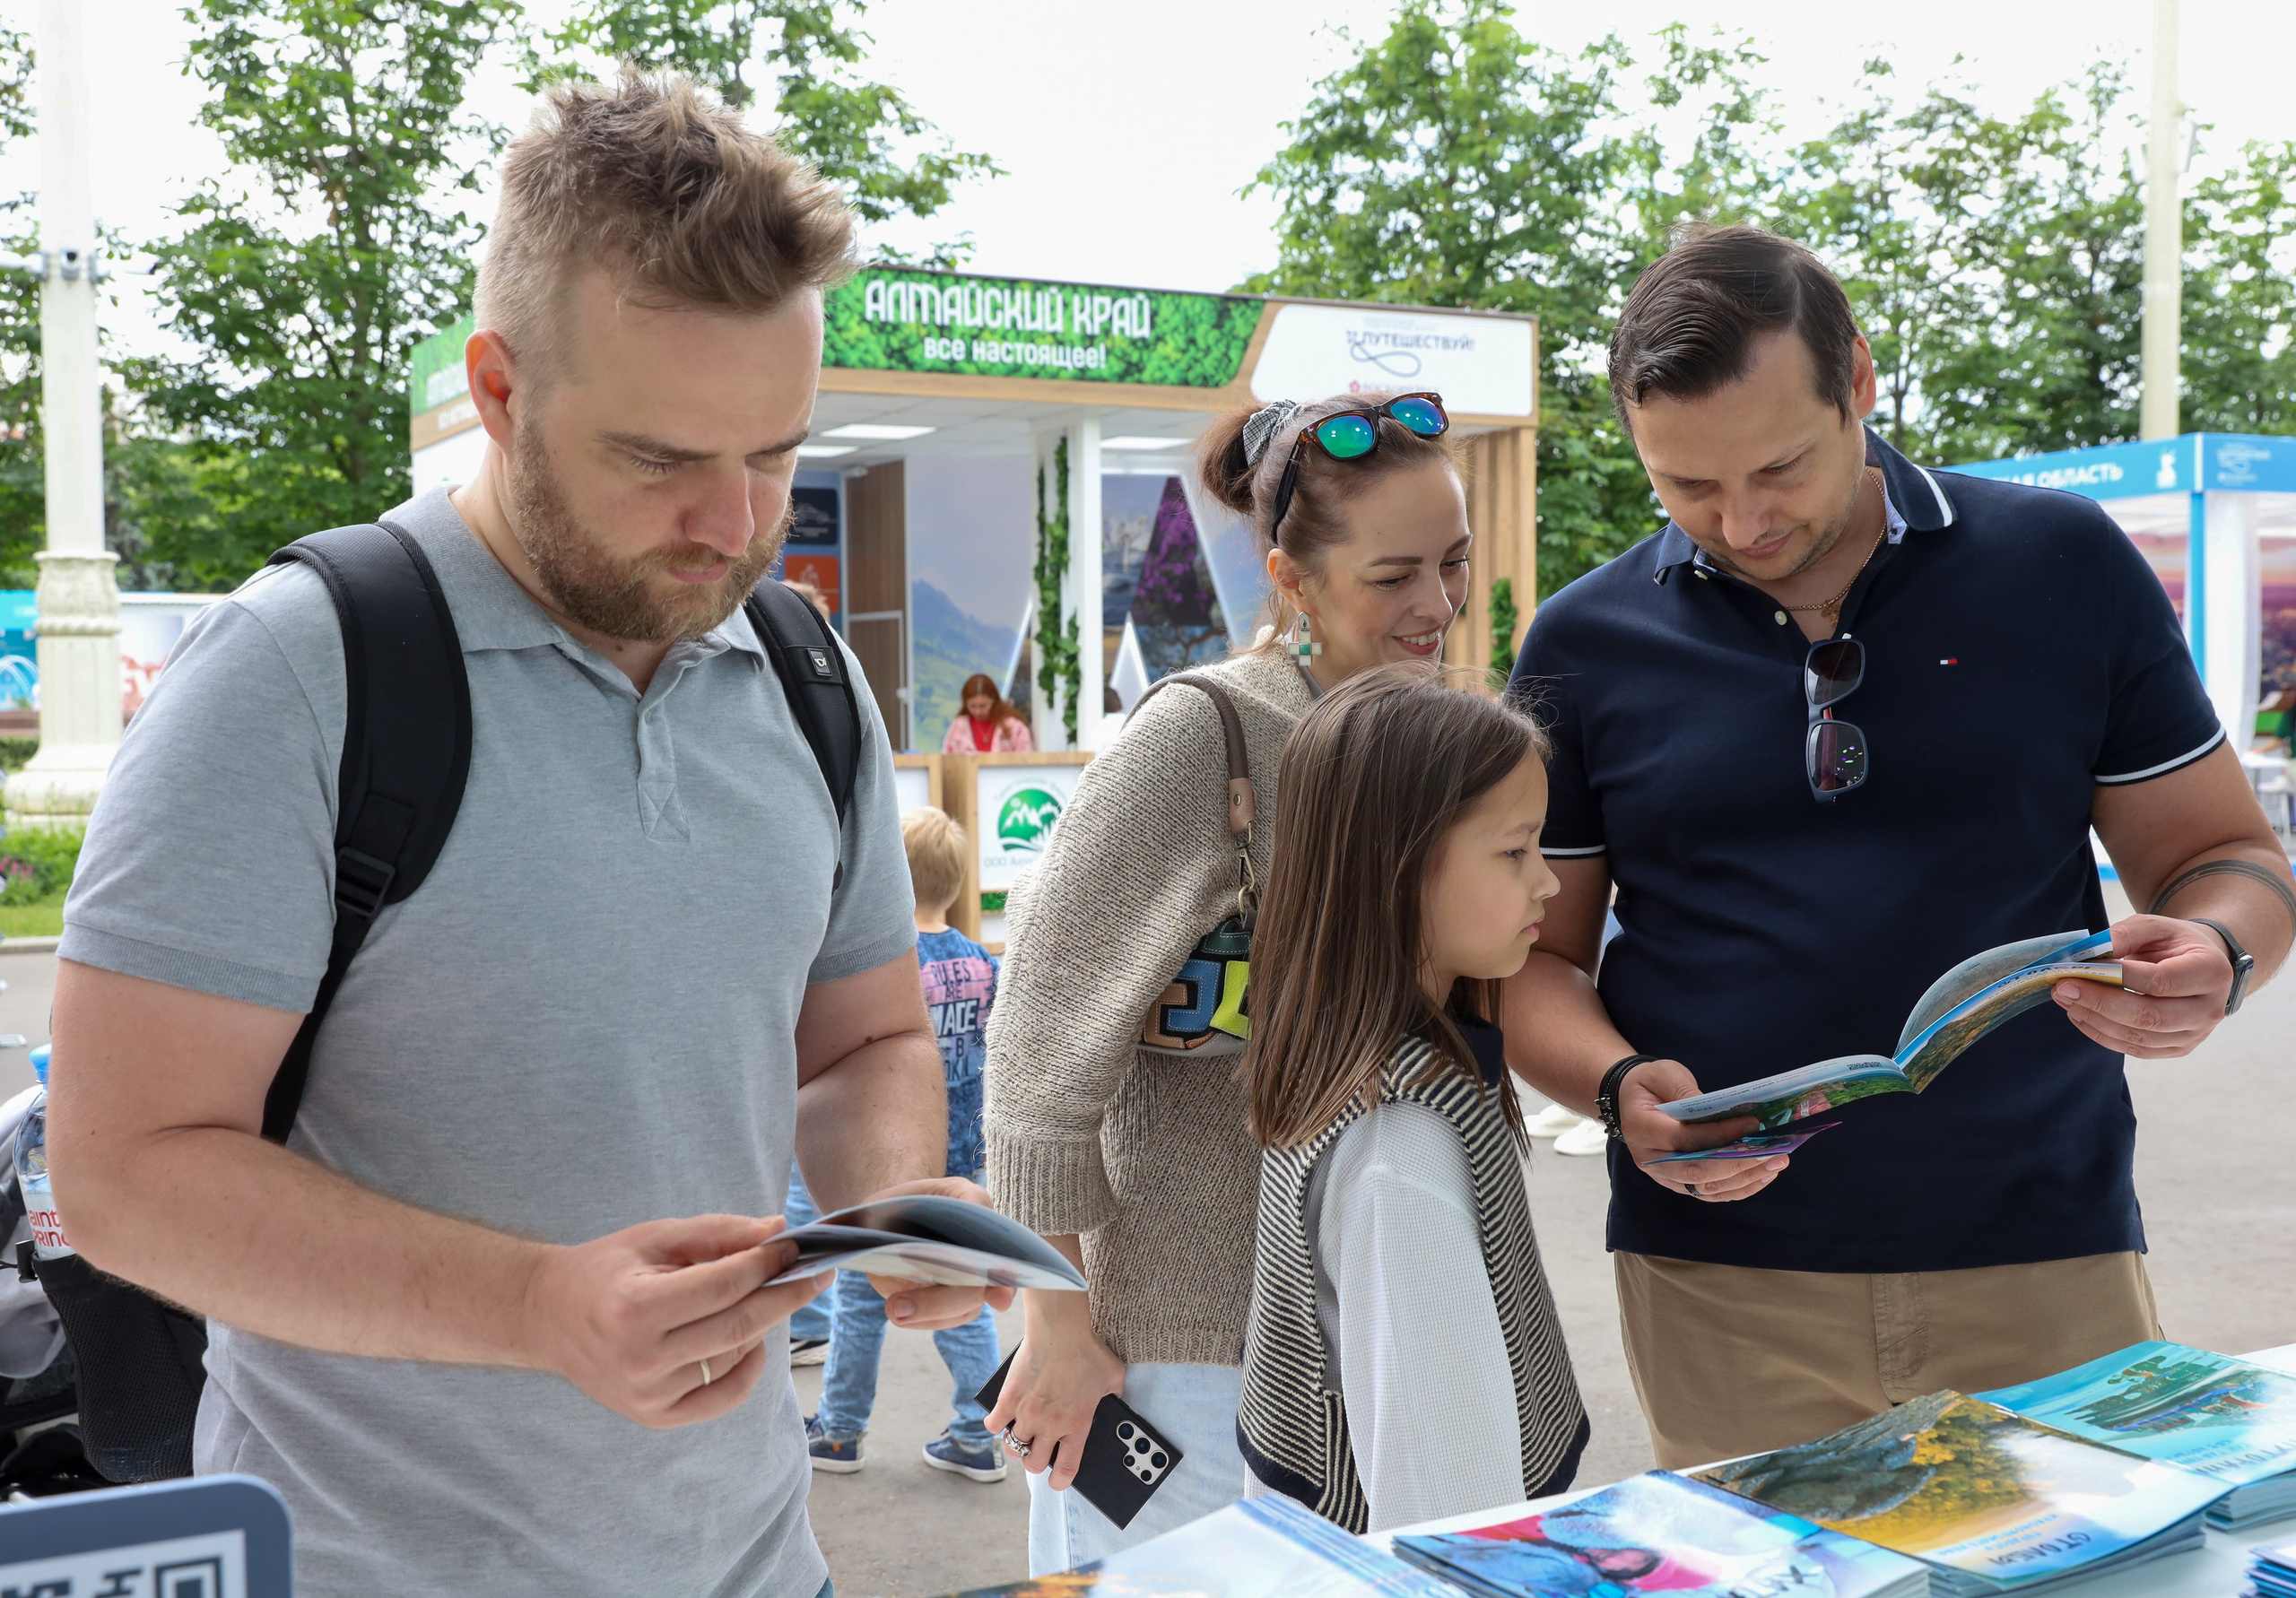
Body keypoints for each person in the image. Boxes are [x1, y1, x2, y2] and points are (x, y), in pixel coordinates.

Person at [44, 72, 1006, 1598]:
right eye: (659, 459)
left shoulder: (804, 674)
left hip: (760, 1562)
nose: (733, 523)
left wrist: (891, 1200)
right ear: (497, 391)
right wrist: (537, 1305)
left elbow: (860, 1043)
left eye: (775, 453)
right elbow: (121, 1170)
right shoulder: (305, 672)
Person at [1502, 224, 2296, 1470]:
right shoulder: (1583, 639)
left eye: (1779, 467)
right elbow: (1528, 958)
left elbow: (2229, 856)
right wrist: (1614, 1089)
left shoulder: (2063, 567)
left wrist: (2218, 951)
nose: (1743, 520)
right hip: (1722, 1283)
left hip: (2047, 1254)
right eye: (1687, 486)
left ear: (1860, 382)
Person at [984, 390, 1470, 1572]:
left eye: (1454, 564)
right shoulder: (1201, 737)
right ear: (1292, 580)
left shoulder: (1421, 740)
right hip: (1170, 1349)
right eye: (1395, 573)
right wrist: (1052, 1309)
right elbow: (1037, 1050)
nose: (1439, 605)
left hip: (1360, 1321)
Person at [1236, 664, 1587, 1533]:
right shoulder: (1398, 1146)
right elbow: (1445, 1502)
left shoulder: (1356, 1063)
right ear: (1396, 866)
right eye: (1514, 851)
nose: (1546, 882)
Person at [807, 805, 1007, 1482]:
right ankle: (979, 1428)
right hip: (962, 1161)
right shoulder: (984, 964)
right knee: (959, 1287)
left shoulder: (884, 970)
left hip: (887, 1167)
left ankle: (840, 1430)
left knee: (866, 1296)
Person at [944, 673, 1035, 753]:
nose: (978, 712)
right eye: (972, 706)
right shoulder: (958, 727)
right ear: (965, 703)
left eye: (983, 706)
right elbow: (946, 760)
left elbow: (1026, 761)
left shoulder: (1014, 727)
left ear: (993, 701)